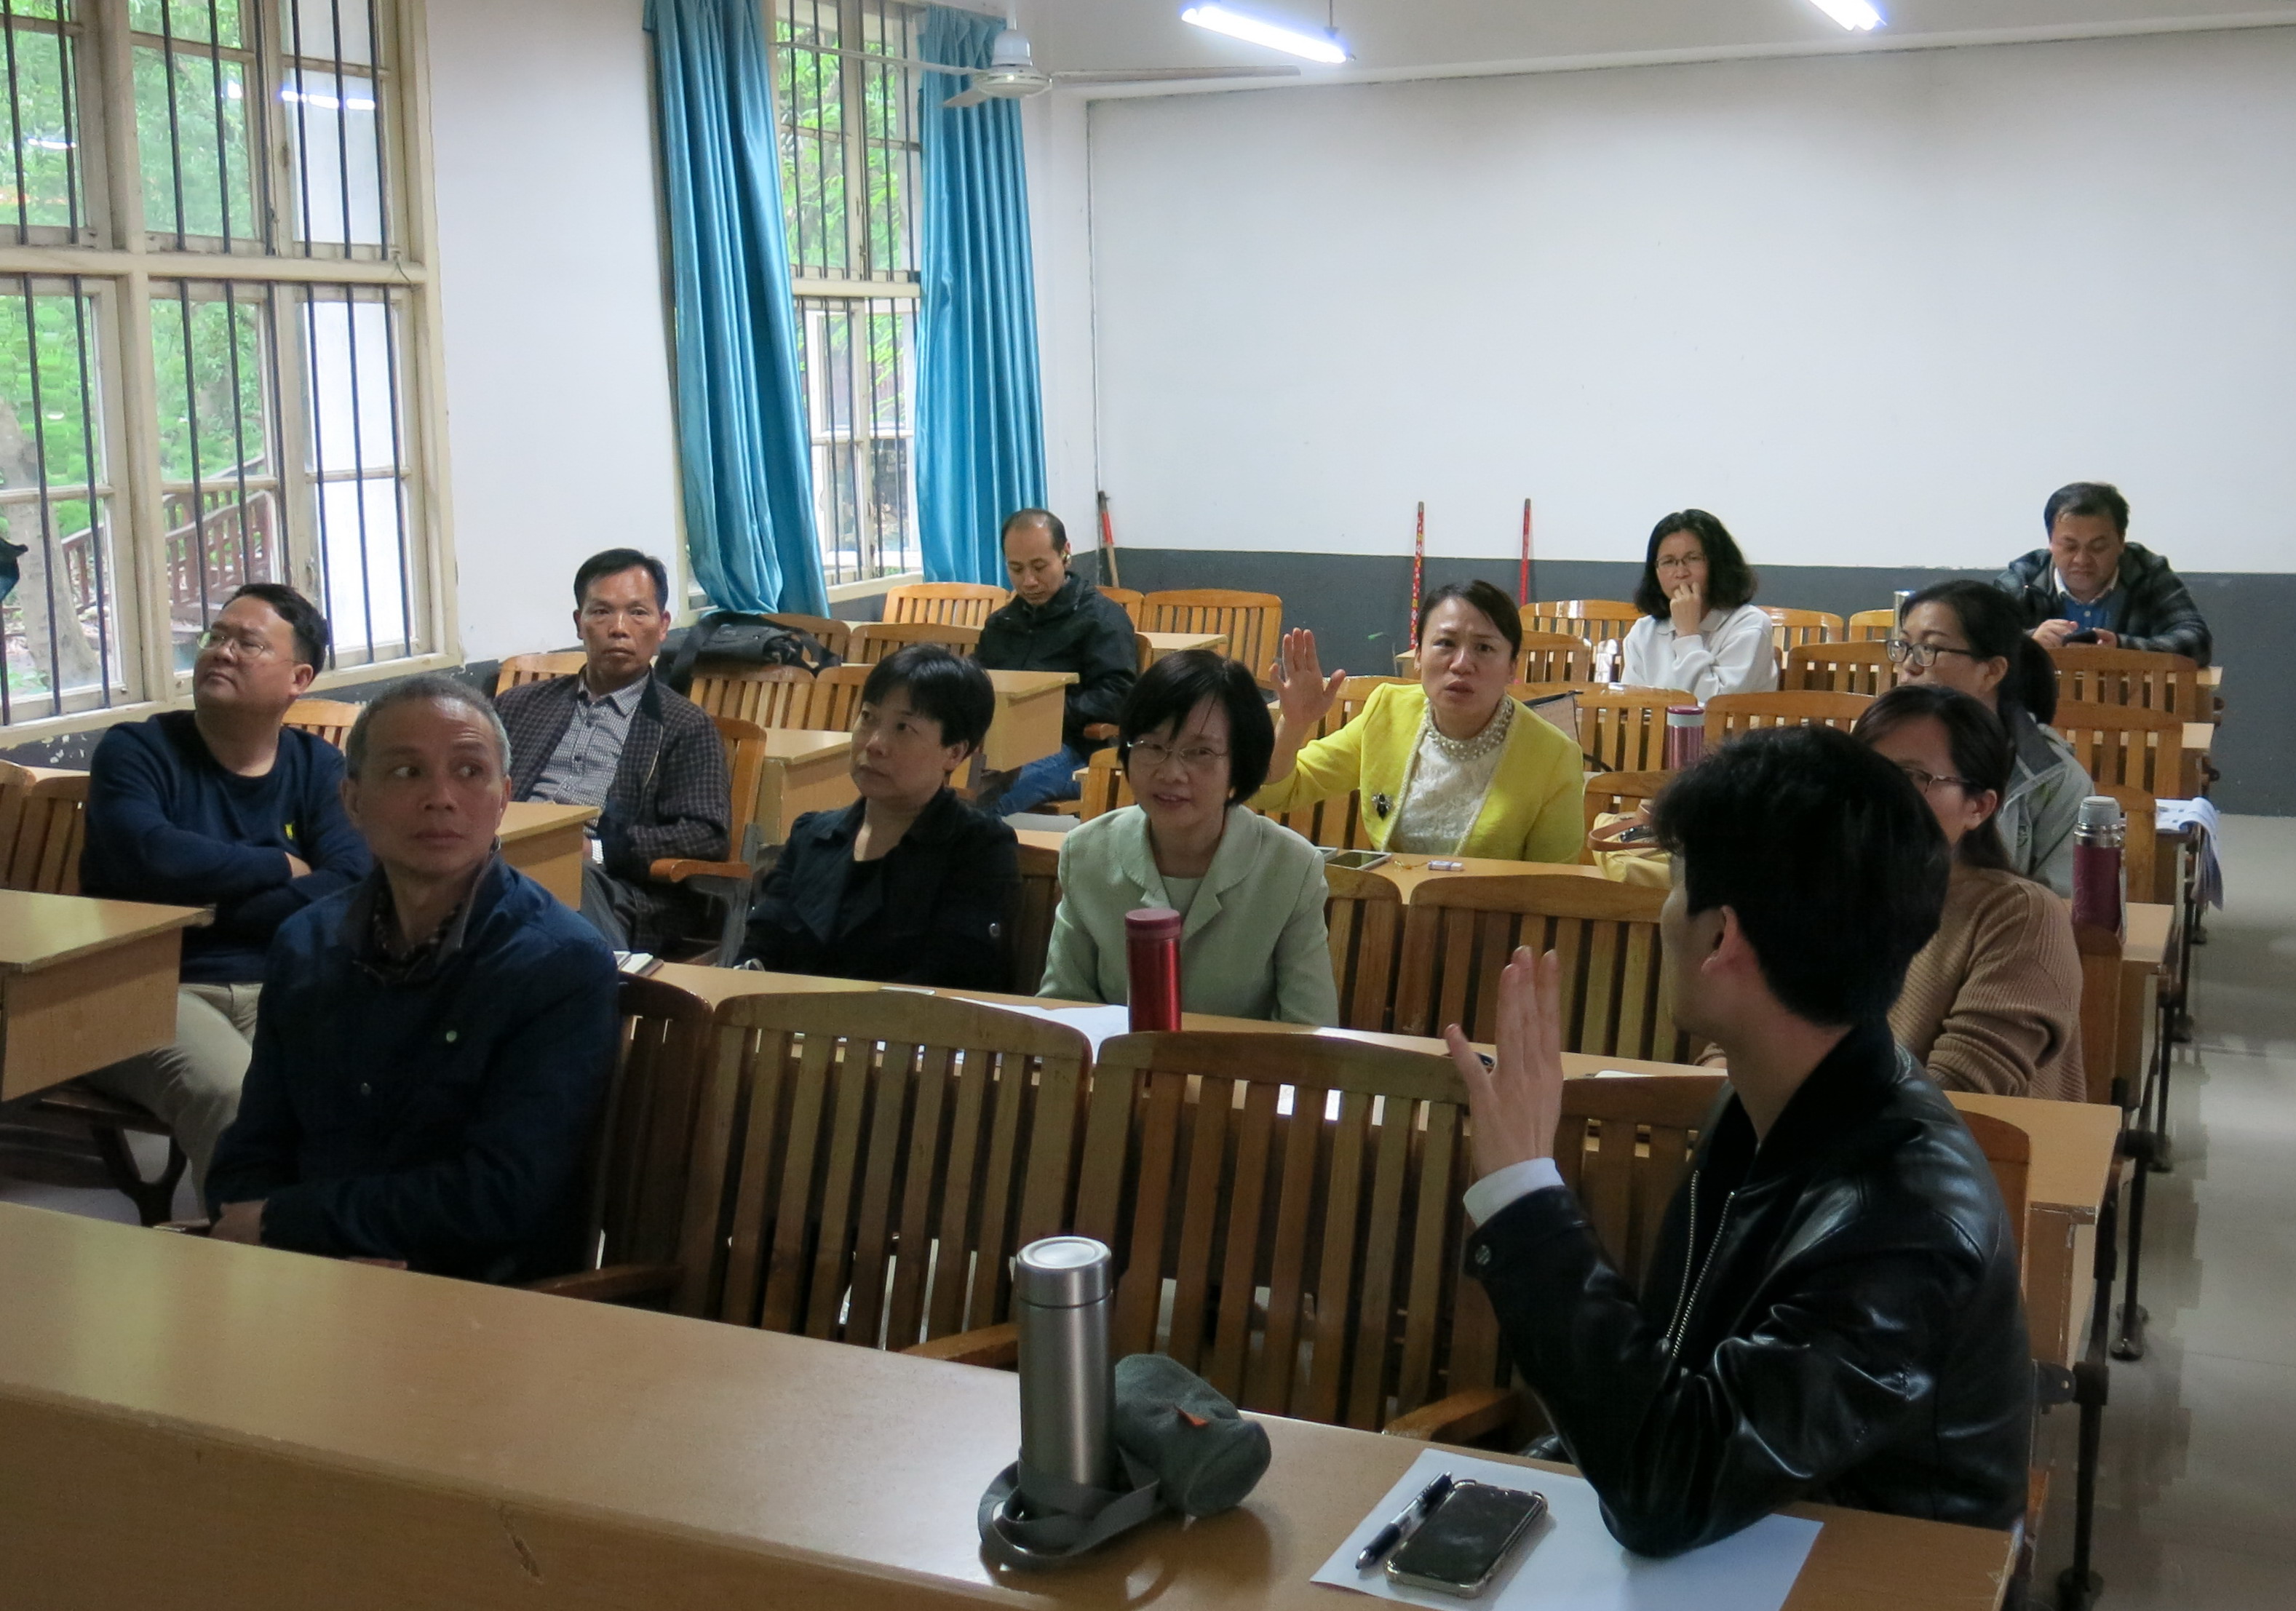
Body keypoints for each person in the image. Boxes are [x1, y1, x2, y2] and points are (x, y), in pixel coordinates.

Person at [1445, 725, 2030, 1555]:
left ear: (1721, 938)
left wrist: (1522, 1195)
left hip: (1869, 1576)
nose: (1663, 914)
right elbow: (1675, 1385)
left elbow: (1670, 1486)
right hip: (1751, 1547)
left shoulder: (1904, 1216)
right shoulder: (1773, 1096)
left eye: (1676, 885)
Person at [204, 677, 618, 1281]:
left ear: (503, 798)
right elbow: (250, 1149)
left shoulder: (558, 963)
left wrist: (288, 1222)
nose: (441, 798)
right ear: (352, 801)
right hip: (307, 1278)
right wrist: (278, 1229)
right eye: (405, 773)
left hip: (477, 1294)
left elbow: (499, 1196)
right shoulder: (306, 942)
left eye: (470, 772)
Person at [79, 584, 371, 1201]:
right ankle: (258, 1251)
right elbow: (150, 854)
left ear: (298, 678)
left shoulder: (318, 767)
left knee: (360, 1086)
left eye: (248, 643)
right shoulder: (137, 751)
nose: (221, 652)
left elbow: (349, 881)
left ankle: (340, 1243)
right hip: (147, 989)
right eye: (216, 636)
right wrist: (279, 864)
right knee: (237, 1095)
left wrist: (200, 909)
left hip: (281, 982)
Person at [1040, 651, 1336, 1024]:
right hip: (1116, 1060)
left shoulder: (1291, 868)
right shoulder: (1087, 852)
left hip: (1241, 1063)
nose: (1171, 773)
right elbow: (1064, 1008)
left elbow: (1308, 1029)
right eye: (1152, 746)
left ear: (1240, 764)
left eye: (1200, 752)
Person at [1856, 685, 2085, 1102]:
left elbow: (1955, 1095)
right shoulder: (1825, 892)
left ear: (1978, 807)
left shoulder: (2021, 915)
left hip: (1962, 1140)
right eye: (1865, 771)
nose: (1878, 795)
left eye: (1912, 777)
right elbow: (1752, 1037)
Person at [741, 645, 1018, 989]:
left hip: (900, 1023)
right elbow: (760, 948)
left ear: (954, 752)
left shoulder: (979, 847)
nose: (874, 744)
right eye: (868, 717)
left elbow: (951, 978)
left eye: (903, 727)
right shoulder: (811, 834)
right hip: (785, 1018)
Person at [496, 548, 730, 952]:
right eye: (601, 612)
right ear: (579, 623)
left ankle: (604, 981)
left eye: (637, 613)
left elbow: (705, 836)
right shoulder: (519, 706)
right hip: (506, 857)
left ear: (663, 626)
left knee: (568, 879)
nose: (619, 628)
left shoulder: (684, 725)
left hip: (614, 883)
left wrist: (600, 850)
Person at [1255, 581, 1585, 863]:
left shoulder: (1554, 756)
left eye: (1484, 648)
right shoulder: (1387, 711)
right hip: (1391, 908)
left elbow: (1552, 885)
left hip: (1495, 915)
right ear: (1418, 656)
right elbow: (1275, 793)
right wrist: (1294, 724)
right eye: (1445, 643)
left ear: (1512, 667)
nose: (1461, 664)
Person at [1891, 578, 2092, 897]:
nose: (1909, 666)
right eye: (1904, 646)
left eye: (1929, 649)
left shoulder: (2054, 778)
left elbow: (2065, 904)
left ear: (1992, 671)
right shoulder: (1876, 753)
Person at [974, 509, 1138, 817]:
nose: (1029, 581)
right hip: (999, 746)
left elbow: (1119, 697)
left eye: (1039, 567)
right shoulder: (1001, 623)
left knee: (976, 801)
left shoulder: (1101, 618)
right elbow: (976, 684)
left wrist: (1041, 712)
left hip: (1074, 749)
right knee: (922, 788)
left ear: (1065, 555)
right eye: (1016, 568)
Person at [1996, 482, 2212, 665]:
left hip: (2131, 700)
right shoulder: (2023, 579)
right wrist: (2030, 642)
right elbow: (1982, 642)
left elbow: (2198, 642)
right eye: (2070, 547)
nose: (2082, 560)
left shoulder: (2148, 573)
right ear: (2050, 543)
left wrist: (2122, 647)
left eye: (2097, 547)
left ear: (2121, 541)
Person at [1620, 509, 1779, 701]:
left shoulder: (1750, 624)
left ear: (1718, 564)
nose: (1681, 573)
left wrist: (1688, 634)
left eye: (1693, 558)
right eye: (1668, 562)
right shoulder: (1643, 632)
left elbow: (1715, 706)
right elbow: (1630, 706)